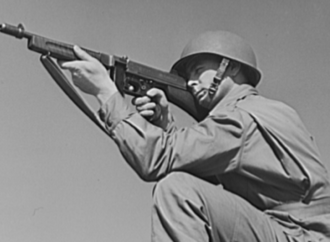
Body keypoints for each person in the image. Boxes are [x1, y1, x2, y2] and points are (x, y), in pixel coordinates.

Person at [59, 30, 330, 241]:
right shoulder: (269, 110)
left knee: (177, 190)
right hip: (292, 232)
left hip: (295, 235)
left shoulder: (239, 120)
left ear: (231, 67)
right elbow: (210, 166)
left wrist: (105, 92)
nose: (191, 82)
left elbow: (154, 158)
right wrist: (165, 125)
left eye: (199, 71)